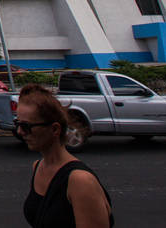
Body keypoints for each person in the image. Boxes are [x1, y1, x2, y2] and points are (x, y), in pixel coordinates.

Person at [18, 83, 114, 227]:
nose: (20, 131)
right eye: (17, 124)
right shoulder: (38, 167)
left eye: (26, 126)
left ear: (55, 129)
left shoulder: (80, 181)